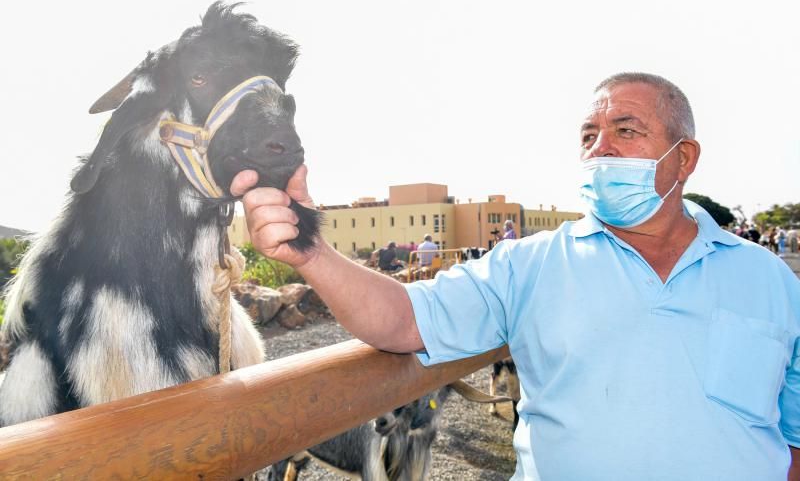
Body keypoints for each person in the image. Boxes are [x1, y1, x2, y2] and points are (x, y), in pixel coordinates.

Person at [231, 72, 800, 480]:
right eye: (588, 135)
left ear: (684, 158)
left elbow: (793, 433)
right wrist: (311, 252)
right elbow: (401, 320)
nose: (600, 149)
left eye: (626, 130)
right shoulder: (529, 265)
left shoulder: (772, 280)